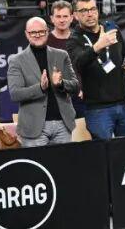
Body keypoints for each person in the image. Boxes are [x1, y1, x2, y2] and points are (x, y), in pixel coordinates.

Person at [65, 0, 125, 140]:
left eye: (92, 9)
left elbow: (124, 57)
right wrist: (98, 46)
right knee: (104, 152)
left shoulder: (112, 29)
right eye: (84, 10)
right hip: (98, 110)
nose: (89, 14)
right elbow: (78, 63)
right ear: (75, 15)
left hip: (124, 105)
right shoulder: (74, 39)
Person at [7, 16, 78, 147]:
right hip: (33, 127)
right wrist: (40, 88)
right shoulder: (16, 60)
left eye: (41, 31)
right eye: (33, 32)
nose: (37, 35)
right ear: (26, 34)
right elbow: (15, 94)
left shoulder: (61, 55)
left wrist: (61, 84)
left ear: (47, 32)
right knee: (37, 161)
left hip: (63, 124)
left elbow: (75, 86)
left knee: (64, 161)